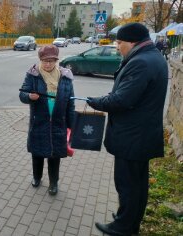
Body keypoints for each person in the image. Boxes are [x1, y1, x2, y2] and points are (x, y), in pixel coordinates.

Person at [86, 23, 168, 235]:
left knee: (128, 185)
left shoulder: (141, 62)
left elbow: (123, 99)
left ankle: (123, 228)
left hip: (132, 137)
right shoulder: (154, 57)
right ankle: (129, 219)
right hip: (141, 135)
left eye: (120, 43)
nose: (117, 47)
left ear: (132, 42)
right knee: (138, 185)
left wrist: (97, 102)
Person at [19, 45, 75, 195]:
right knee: (37, 154)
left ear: (56, 60)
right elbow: (22, 94)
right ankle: (37, 177)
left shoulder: (65, 76)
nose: (48, 64)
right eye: (44, 61)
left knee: (54, 156)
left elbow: (70, 102)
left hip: (58, 122)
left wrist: (72, 125)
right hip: (39, 121)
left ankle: (53, 183)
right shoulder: (33, 75)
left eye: (51, 61)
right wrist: (29, 96)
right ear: (40, 60)